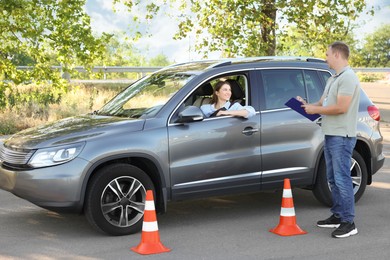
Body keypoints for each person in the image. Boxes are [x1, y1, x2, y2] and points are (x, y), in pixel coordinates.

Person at [298, 41, 360, 238]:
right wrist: (307, 105)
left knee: (342, 179)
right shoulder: (333, 78)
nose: (325, 58)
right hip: (331, 134)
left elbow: (341, 108)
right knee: (333, 178)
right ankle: (338, 215)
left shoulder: (348, 78)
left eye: (327, 54)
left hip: (342, 136)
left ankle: (349, 223)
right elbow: (322, 103)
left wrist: (316, 109)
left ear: (337, 55)